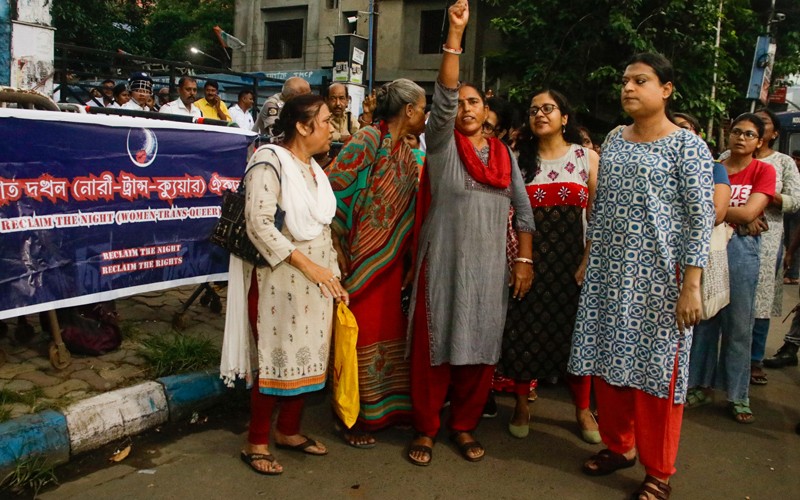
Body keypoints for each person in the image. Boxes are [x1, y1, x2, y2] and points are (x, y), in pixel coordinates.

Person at [568, 53, 714, 500]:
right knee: (610, 368)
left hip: (661, 285)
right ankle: (620, 447)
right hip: (609, 276)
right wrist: (588, 257)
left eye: (640, 80)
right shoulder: (613, 139)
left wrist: (691, 285)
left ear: (666, 89)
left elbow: (700, 217)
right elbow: (604, 206)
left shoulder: (686, 146)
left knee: (657, 379)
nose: (628, 87)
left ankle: (659, 472)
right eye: (625, 80)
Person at [405, 0, 535, 466]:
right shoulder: (441, 145)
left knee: (479, 351)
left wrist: (524, 260)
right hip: (442, 264)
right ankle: (425, 428)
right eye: (459, 103)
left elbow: (522, 210)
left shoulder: (503, 154)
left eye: (473, 101)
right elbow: (442, 95)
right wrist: (455, 36)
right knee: (434, 351)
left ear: (486, 109)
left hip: (488, 271)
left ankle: (462, 426)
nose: (464, 108)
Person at [220, 93, 348, 476]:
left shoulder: (312, 167)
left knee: (310, 354)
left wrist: (332, 272)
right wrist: (310, 266)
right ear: (303, 126)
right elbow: (259, 224)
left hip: (317, 278)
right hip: (280, 277)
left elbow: (322, 223)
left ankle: (289, 431)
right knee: (276, 359)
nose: (332, 129)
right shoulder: (268, 161)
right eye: (326, 121)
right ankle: (256, 441)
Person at [326, 78, 427, 448]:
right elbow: (333, 185)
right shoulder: (369, 138)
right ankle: (351, 417)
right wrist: (336, 239)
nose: (426, 114)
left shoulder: (409, 152)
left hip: (391, 262)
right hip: (361, 259)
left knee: (389, 334)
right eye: (423, 106)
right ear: (410, 110)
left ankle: (389, 411)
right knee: (361, 335)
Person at [498, 89, 600, 443]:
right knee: (526, 329)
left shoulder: (586, 158)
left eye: (548, 108)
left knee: (577, 335)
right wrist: (516, 262)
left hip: (573, 264)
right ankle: (522, 403)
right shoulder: (517, 159)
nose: (540, 114)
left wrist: (588, 260)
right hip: (529, 262)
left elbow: (598, 215)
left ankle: (582, 409)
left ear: (565, 117)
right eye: (533, 110)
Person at [688, 113, 775, 426]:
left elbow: (753, 210)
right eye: (736, 131)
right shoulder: (714, 166)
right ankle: (699, 386)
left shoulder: (763, 170)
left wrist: (726, 213)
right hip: (710, 247)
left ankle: (738, 395)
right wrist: (736, 216)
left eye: (749, 134)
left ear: (760, 141)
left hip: (741, 252)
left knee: (739, 325)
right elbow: (701, 208)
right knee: (705, 320)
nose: (741, 138)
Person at [740, 108, 800, 378]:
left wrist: (766, 194)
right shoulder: (730, 157)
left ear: (774, 133)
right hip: (729, 234)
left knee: (760, 301)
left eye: (763, 124)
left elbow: (794, 202)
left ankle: (753, 360)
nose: (756, 128)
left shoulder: (784, 162)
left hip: (767, 238)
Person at [783, 150, 800, 285]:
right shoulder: (792, 173)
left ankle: (793, 274)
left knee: (794, 241)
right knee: (788, 240)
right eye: (794, 158)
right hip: (790, 210)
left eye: (798, 159)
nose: (796, 162)